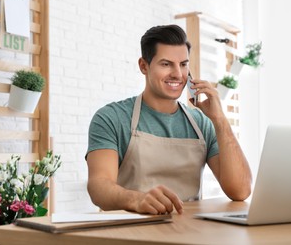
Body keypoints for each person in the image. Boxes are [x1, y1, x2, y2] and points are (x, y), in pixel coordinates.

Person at [86, 24, 252, 215]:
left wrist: (220, 120)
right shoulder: (111, 118)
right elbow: (98, 187)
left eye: (183, 64)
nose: (177, 74)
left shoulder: (202, 123)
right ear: (143, 66)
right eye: (166, 64)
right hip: (130, 231)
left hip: (188, 232)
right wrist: (137, 199)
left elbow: (240, 191)